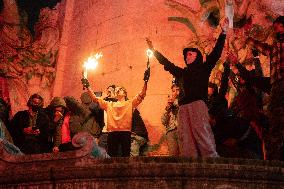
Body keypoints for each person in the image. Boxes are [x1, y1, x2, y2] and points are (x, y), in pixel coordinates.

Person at [146, 18, 228, 158]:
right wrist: (154, 51)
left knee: (202, 134)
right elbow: (168, 64)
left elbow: (215, 53)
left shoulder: (204, 68)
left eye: (190, 53)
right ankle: (190, 162)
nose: (187, 56)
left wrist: (224, 32)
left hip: (197, 105)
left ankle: (211, 160)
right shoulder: (182, 73)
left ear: (198, 56)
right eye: (186, 55)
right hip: (183, 108)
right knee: (186, 138)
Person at [81, 69, 150, 157]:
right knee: (111, 156)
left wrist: (146, 82)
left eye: (120, 89)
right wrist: (87, 86)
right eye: (117, 90)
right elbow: (95, 99)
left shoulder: (130, 103)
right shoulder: (109, 104)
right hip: (112, 133)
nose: (117, 90)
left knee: (125, 156)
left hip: (125, 132)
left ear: (125, 93)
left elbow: (142, 95)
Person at [247, 16, 284, 160]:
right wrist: (248, 39)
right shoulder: (274, 47)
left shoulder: (277, 46)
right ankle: (274, 157)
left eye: (277, 27)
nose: (274, 30)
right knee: (275, 120)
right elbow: (263, 47)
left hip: (278, 85)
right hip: (277, 86)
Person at [161, 83, 180, 156]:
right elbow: (163, 121)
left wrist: (173, 103)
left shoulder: (182, 102)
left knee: (185, 154)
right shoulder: (169, 103)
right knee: (173, 155)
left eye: (177, 90)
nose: (175, 92)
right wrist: (168, 111)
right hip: (170, 131)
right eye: (173, 91)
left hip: (182, 130)